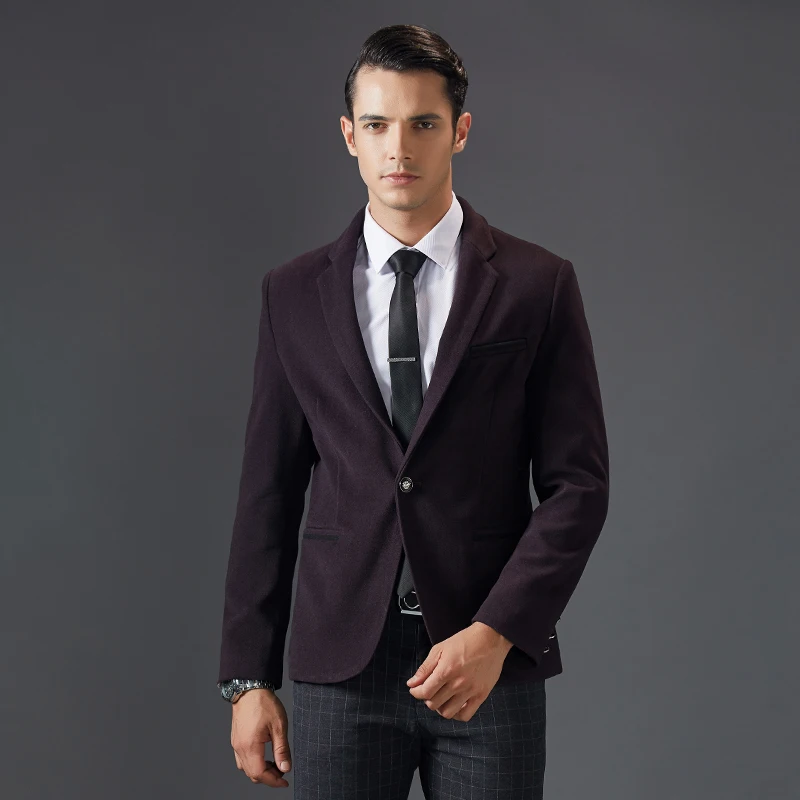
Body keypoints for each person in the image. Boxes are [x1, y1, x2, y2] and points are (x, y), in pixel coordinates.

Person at [217, 23, 610, 799]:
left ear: (460, 131)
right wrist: (246, 679)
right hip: (341, 667)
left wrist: (497, 634)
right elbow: (269, 491)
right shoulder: (292, 294)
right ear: (349, 136)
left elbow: (579, 487)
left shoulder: (537, 284)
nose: (399, 148)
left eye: (423, 123)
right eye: (377, 125)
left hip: (485, 661)